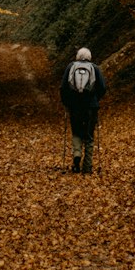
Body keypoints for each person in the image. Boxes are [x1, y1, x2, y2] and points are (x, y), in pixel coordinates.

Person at [60, 46, 106, 175]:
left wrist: (66, 102)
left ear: (77, 56)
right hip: (91, 107)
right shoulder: (95, 68)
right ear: (89, 57)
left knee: (76, 132)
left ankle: (77, 154)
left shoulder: (71, 67)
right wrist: (96, 100)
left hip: (75, 107)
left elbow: (63, 87)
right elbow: (102, 87)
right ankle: (87, 167)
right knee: (89, 136)